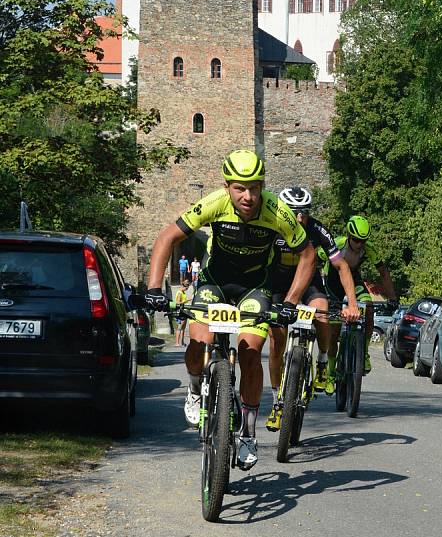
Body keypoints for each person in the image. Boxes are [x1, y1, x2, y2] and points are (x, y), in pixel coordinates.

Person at [145, 149, 315, 471]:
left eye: (255, 187)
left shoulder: (277, 211)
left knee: (250, 355)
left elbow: (307, 256)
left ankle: (248, 434)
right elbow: (168, 236)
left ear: (262, 185)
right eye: (240, 188)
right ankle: (195, 391)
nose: (248, 196)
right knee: (198, 343)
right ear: (227, 187)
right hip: (215, 283)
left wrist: (290, 302)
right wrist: (154, 289)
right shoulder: (214, 203)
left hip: (255, 288)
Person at [265, 187, 360, 431]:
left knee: (322, 311)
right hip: (278, 284)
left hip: (309, 282)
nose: (299, 218)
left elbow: (341, 267)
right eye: (294, 212)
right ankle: (277, 400)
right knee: (276, 341)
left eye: (304, 212)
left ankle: (321, 362)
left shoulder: (317, 230)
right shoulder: (271, 226)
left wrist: (352, 303)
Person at [320, 215, 397, 393]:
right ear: (348, 236)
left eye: (363, 240)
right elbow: (313, 258)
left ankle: (364, 353)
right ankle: (331, 373)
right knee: (333, 334)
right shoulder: (337, 243)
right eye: (356, 240)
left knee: (368, 311)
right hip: (332, 284)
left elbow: (383, 272)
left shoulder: (368, 249)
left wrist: (392, 297)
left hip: (354, 282)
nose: (359, 244)